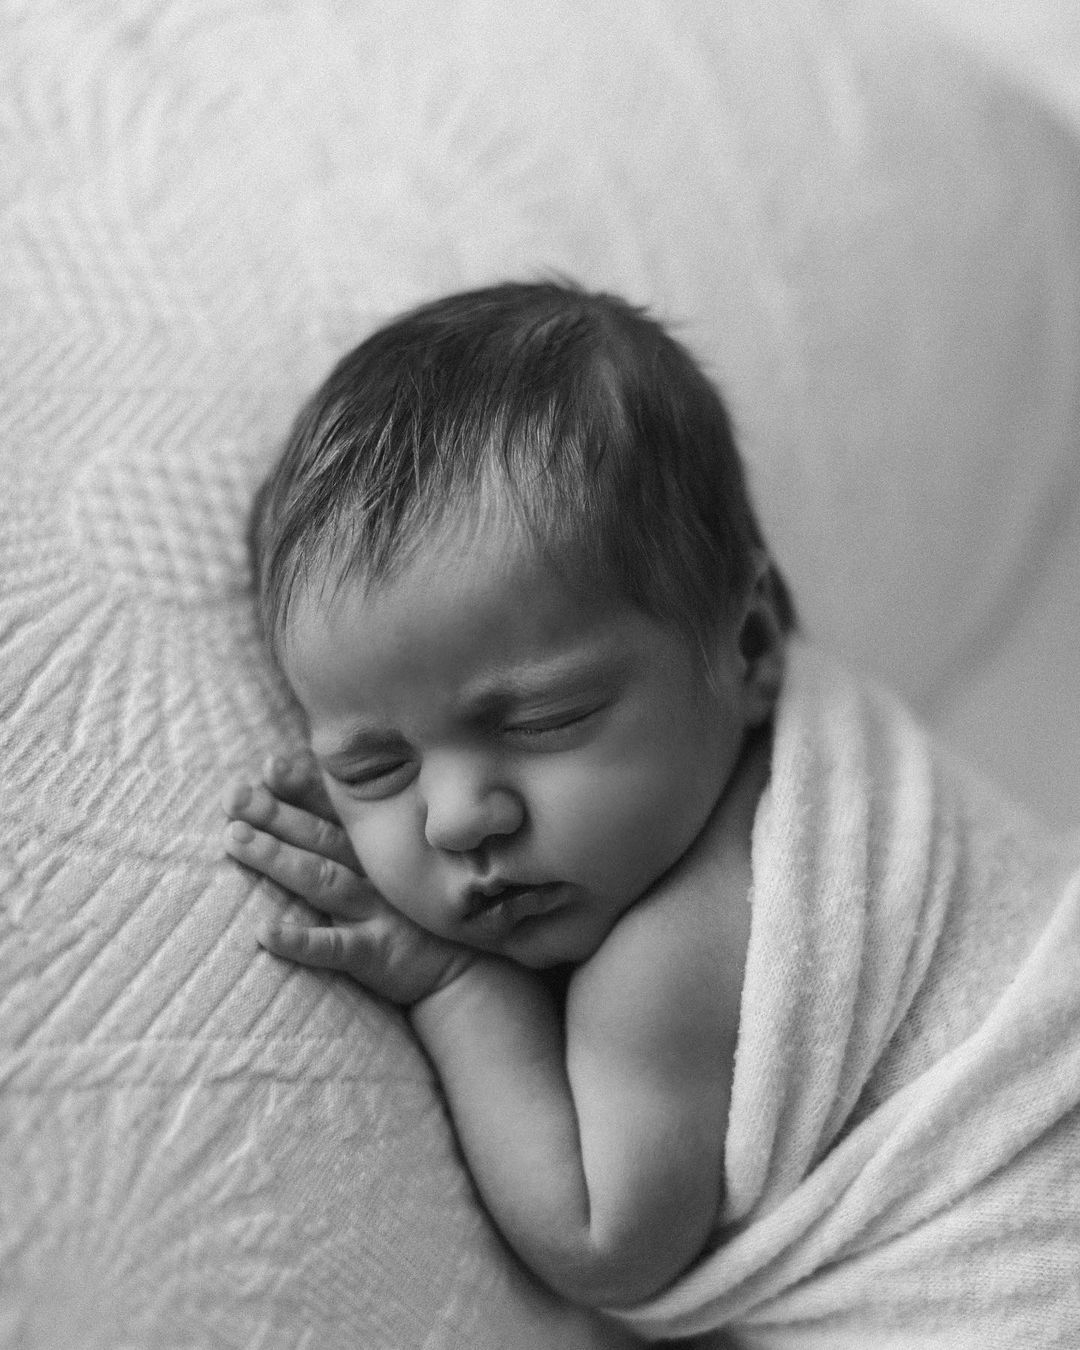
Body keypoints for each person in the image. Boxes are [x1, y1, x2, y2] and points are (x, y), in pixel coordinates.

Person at [221, 279, 796, 1309]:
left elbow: (604, 1240)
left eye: (541, 721)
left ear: (747, 645)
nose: (455, 819)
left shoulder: (677, 952)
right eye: (374, 770)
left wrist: (455, 986)